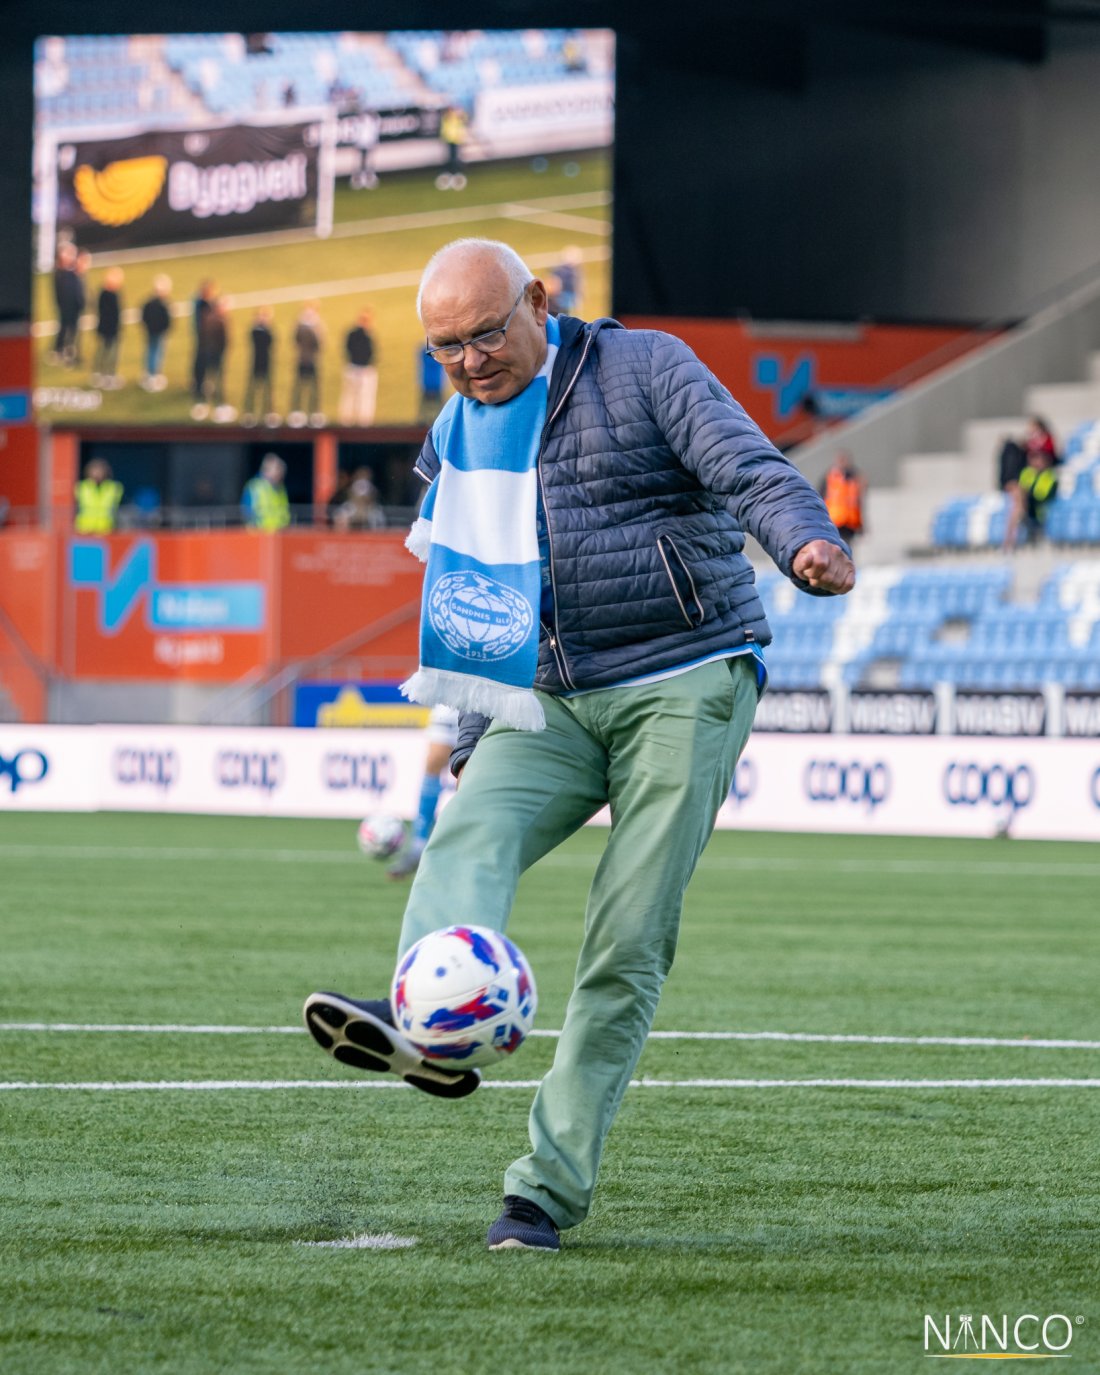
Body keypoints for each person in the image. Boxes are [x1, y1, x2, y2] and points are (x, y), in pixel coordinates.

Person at [303, 238, 855, 1252]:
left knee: (625, 933)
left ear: (538, 302)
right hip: (547, 697)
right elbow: (470, 594)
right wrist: (471, 733)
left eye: (481, 335)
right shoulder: (454, 433)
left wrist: (804, 541)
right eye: (443, 349)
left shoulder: (644, 367)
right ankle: (431, 1025)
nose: (467, 364)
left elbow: (746, 465)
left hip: (682, 672)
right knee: (466, 828)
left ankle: (541, 1192)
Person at [386, 706, 458, 879]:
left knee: (470, 770)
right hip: (452, 696)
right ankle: (419, 845)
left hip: (484, 695)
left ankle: (462, 849)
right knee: (434, 759)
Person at [1006, 447, 1059, 547]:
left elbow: (1043, 497)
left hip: (1039, 511)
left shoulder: (1050, 477)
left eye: (1038, 458)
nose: (1035, 461)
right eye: (1033, 458)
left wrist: (1024, 493)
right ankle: (1011, 538)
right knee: (1015, 498)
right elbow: (1021, 487)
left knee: (1018, 504)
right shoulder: (1027, 473)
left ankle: (1009, 540)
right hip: (1025, 508)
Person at [338, 310, 378, 426]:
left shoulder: (351, 334)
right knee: (365, 398)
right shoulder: (367, 336)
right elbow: (370, 353)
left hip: (351, 368)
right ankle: (364, 423)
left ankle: (346, 420)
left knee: (349, 397)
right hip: (364, 371)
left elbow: (347, 349)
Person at [289, 304, 324, 427]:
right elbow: (319, 344)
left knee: (302, 388)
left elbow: (295, 339)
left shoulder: (300, 327)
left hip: (302, 359)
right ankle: (311, 412)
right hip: (310, 360)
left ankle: (300, 412)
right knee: (310, 388)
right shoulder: (314, 327)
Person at [819, 451, 865, 543]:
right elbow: (821, 497)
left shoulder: (854, 478)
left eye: (844, 460)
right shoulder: (829, 477)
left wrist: (861, 524)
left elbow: (858, 502)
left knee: (847, 549)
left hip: (850, 522)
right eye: (840, 460)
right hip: (834, 520)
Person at [242, 306, 277, 425]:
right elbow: (269, 340)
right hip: (259, 362)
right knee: (254, 389)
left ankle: (266, 411)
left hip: (263, 362)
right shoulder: (258, 331)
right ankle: (250, 412)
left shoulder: (257, 330)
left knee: (266, 390)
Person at [91, 267, 124, 389]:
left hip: (104, 328)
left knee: (102, 351)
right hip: (110, 329)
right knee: (110, 352)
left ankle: (99, 373)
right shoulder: (111, 295)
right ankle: (108, 375)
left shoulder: (102, 293)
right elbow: (113, 314)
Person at [52, 242, 83, 366]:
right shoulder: (60, 273)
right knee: (64, 327)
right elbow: (62, 292)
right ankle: (59, 349)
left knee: (73, 328)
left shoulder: (73, 272)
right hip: (65, 306)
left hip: (75, 305)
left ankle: (69, 349)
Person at [190, 279, 217, 419]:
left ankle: (199, 385)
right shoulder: (202, 305)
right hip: (204, 341)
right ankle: (198, 387)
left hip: (204, 340)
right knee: (200, 364)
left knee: (201, 364)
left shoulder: (199, 303)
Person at [140, 275, 173, 391]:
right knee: (155, 353)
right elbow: (167, 320)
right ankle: (153, 376)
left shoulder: (148, 303)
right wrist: (166, 329)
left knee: (150, 352)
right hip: (158, 333)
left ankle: (148, 374)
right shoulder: (163, 305)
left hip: (150, 331)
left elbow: (143, 316)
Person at [242, 453, 291, 530]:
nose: (281, 474)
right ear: (266, 470)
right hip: (259, 535)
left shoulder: (281, 488)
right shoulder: (255, 486)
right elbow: (246, 512)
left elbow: (285, 512)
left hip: (280, 535)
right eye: (277, 470)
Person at [74, 458, 123, 533]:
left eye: (100, 471)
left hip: (106, 529)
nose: (97, 474)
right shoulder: (80, 487)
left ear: (106, 472)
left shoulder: (114, 488)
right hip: (84, 529)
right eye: (94, 471)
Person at [436, 105, 468, 190]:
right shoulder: (446, 117)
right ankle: (450, 173)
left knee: (455, 158)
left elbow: (464, 119)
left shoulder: (457, 116)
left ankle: (455, 173)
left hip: (456, 139)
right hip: (449, 140)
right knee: (450, 158)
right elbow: (445, 128)